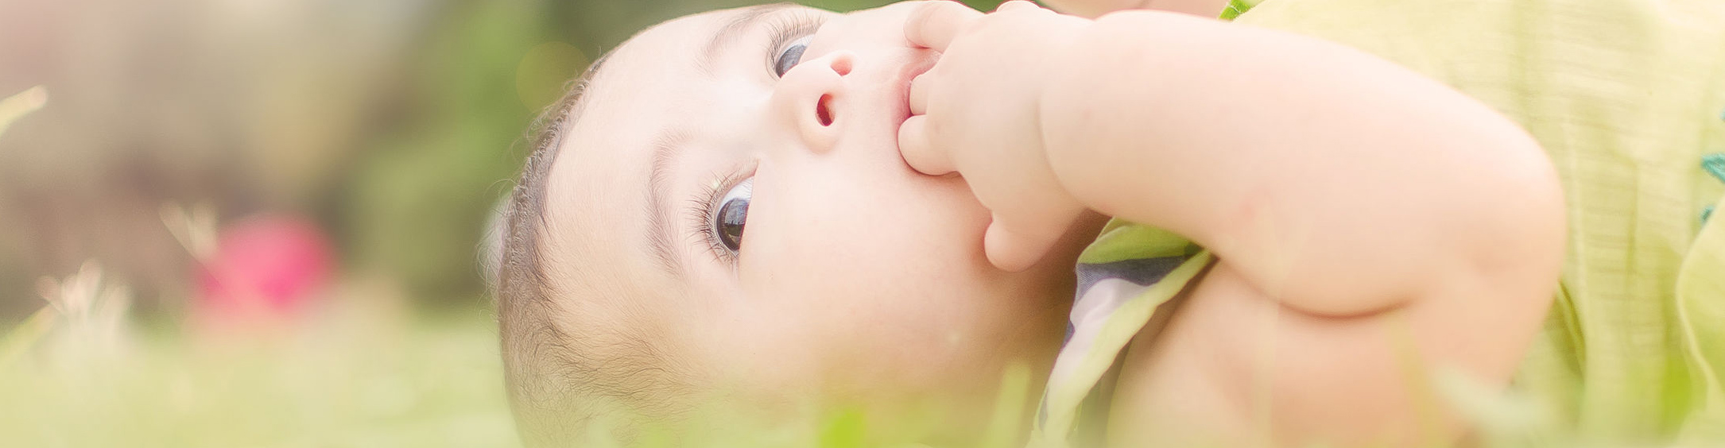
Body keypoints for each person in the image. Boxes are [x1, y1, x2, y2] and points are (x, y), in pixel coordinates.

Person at [489, 0, 1725, 446]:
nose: (814, 86)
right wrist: (1075, 101)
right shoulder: (1150, 407)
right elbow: (1472, 221)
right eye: (732, 214)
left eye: (788, 42)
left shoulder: (1125, 183)